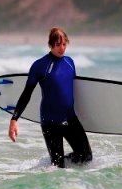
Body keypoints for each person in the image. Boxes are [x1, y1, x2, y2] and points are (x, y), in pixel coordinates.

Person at [8, 27, 92, 168]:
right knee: (58, 167)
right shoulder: (39, 66)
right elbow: (26, 94)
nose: (62, 48)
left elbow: (74, 91)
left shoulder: (70, 63)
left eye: (64, 44)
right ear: (50, 44)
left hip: (70, 119)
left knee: (86, 157)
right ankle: (53, 165)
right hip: (50, 123)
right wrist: (14, 119)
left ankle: (57, 164)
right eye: (58, 44)